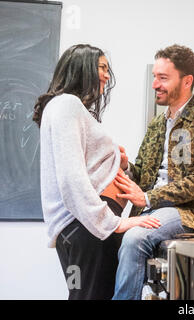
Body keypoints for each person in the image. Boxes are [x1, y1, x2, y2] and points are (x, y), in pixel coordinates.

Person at [33, 44, 160, 300]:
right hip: (87, 229)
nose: (106, 75)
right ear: (82, 68)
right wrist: (113, 222)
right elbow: (71, 178)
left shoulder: (67, 108)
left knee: (85, 294)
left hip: (84, 230)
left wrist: (119, 164)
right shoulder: (66, 104)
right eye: (101, 67)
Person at [112, 44, 194, 300]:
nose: (155, 84)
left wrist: (149, 198)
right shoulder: (157, 123)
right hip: (155, 210)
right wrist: (126, 167)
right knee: (114, 237)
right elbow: (143, 173)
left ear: (187, 81)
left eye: (163, 78)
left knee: (134, 239)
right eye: (155, 76)